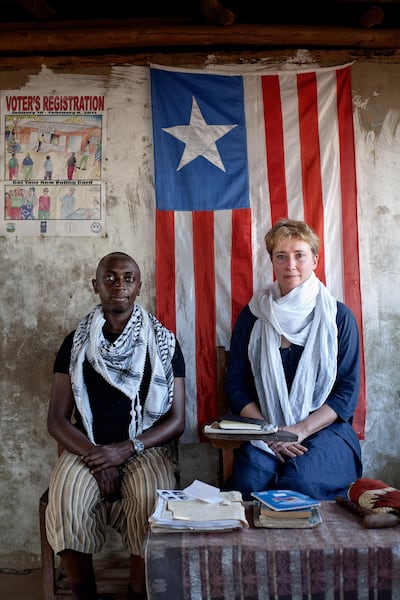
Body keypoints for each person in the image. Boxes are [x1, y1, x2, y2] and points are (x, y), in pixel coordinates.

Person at [45, 252, 186, 600]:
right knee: (66, 501)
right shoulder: (75, 343)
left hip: (145, 448)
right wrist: (97, 456)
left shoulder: (163, 342)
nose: (118, 285)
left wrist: (126, 448)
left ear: (139, 286)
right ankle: (85, 595)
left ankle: (137, 593)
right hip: (88, 449)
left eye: (127, 278)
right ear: (96, 285)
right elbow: (56, 419)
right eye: (109, 278)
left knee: (149, 501)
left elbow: (178, 420)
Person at [222, 219, 362, 502]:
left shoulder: (338, 317)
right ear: (272, 262)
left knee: (299, 483)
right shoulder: (253, 315)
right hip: (266, 429)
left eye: (299, 255)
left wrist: (298, 431)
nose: (290, 265)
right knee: (249, 485)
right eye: (281, 256)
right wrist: (272, 433)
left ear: (315, 260)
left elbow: (346, 391)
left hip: (324, 430)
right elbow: (236, 385)